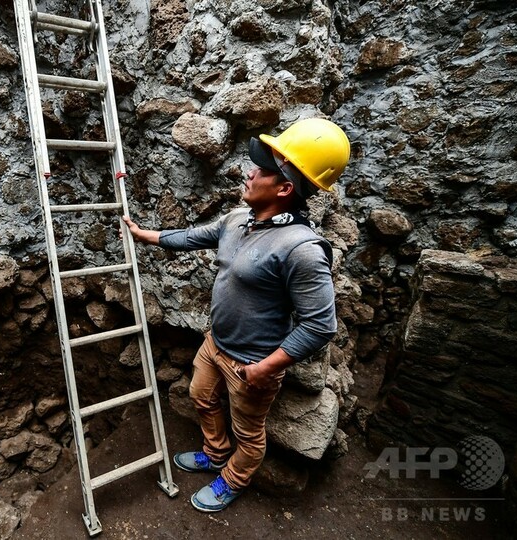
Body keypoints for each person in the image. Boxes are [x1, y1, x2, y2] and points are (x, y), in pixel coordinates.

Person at [122, 117, 350, 512]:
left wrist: (268, 367)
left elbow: (319, 324)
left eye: (262, 170)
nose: (250, 172)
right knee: (200, 396)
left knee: (249, 432)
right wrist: (148, 235)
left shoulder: (303, 248)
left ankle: (233, 479)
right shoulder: (236, 220)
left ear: (284, 188)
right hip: (216, 343)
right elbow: (194, 237)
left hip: (253, 361)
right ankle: (214, 452)